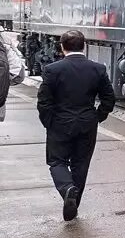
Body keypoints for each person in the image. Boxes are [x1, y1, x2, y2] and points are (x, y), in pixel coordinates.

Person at [35, 30, 115, 221]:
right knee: (81, 164)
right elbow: (109, 98)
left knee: (56, 161)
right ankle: (74, 203)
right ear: (84, 45)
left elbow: (44, 101)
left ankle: (67, 189)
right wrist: (97, 117)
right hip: (87, 122)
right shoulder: (98, 69)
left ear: (62, 47)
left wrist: (49, 122)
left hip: (60, 123)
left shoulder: (53, 69)